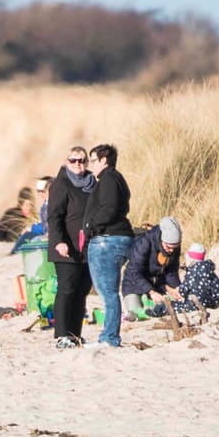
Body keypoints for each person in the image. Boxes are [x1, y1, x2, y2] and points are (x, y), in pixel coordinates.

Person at [80, 143, 133, 349]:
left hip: (107, 240)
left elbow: (109, 209)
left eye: (93, 160)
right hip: (116, 238)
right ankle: (109, 335)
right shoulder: (115, 179)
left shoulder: (109, 179)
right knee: (109, 291)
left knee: (108, 292)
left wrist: (91, 227)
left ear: (104, 160)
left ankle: (110, 337)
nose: (90, 165)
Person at [46, 146, 95, 348]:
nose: (78, 164)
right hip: (65, 248)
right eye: (74, 160)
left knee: (82, 290)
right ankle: (61, 335)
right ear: (67, 161)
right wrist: (59, 241)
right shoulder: (61, 185)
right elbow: (54, 216)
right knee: (67, 289)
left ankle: (75, 334)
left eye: (82, 160)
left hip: (87, 248)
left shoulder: (92, 183)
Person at [122, 217, 184, 321]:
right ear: (162, 239)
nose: (171, 250)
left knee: (166, 309)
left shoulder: (174, 248)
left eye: (175, 247)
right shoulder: (144, 243)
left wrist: (175, 288)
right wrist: (151, 292)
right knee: (136, 313)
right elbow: (134, 272)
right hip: (133, 284)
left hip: (157, 285)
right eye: (168, 247)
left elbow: (172, 271)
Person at [178, 243, 219, 310]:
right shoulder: (210, 270)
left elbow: (183, 291)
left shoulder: (192, 272)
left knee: (165, 308)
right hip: (213, 304)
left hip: (195, 305)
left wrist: (180, 290)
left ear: (190, 260)